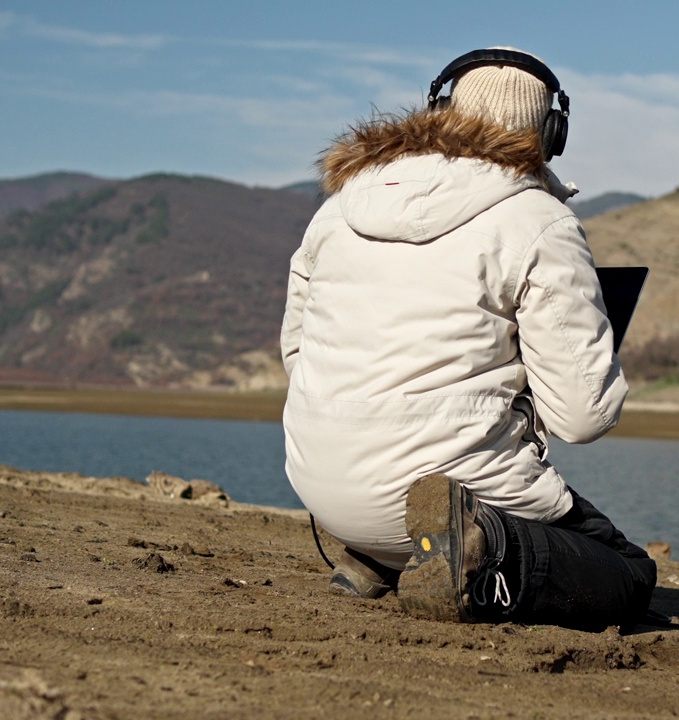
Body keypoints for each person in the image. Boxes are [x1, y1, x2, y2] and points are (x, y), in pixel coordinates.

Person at [280, 47, 656, 631]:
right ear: (551, 132)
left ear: (440, 107)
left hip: (322, 489)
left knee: (408, 485)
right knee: (629, 573)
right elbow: (582, 420)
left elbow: (296, 353)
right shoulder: (540, 221)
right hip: (444, 487)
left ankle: (378, 556)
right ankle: (470, 556)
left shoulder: (340, 205)